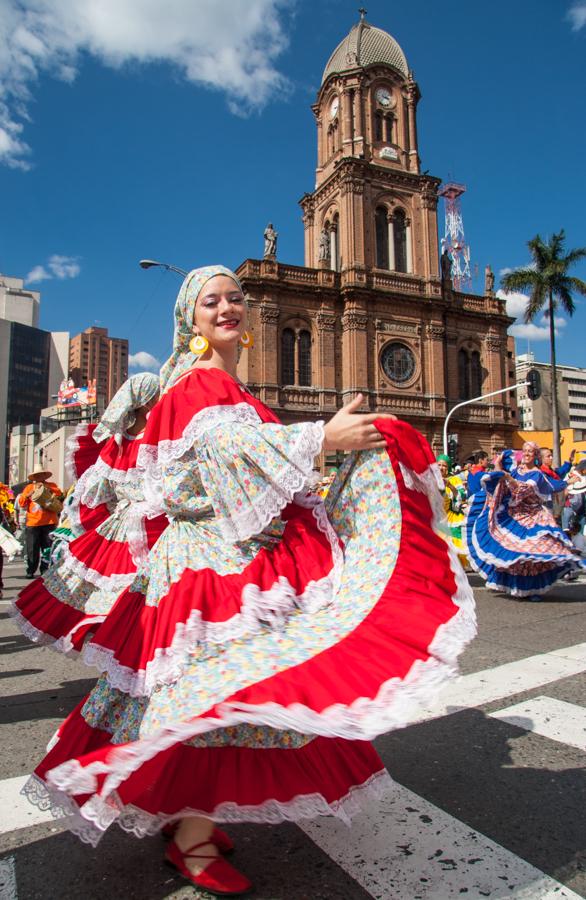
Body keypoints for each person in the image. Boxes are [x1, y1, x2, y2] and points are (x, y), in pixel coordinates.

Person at [22, 266, 476, 896]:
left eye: (236, 298)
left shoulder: (233, 390)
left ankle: (187, 814)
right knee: (217, 696)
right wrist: (323, 437)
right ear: (191, 320)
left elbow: (258, 460)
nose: (228, 307)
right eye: (212, 301)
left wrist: (329, 443)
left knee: (223, 696)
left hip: (232, 560)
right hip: (209, 569)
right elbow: (229, 456)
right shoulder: (199, 384)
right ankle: (191, 838)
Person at [12, 373, 164, 654]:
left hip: (144, 523)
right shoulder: (136, 439)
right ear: (144, 403)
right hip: (140, 527)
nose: (164, 399)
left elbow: (94, 492)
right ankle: (133, 651)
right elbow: (95, 491)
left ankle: (139, 650)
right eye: (158, 395)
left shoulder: (128, 439)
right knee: (132, 594)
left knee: (143, 594)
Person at [464, 442, 584, 601]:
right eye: (525, 451)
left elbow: (523, 489)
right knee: (517, 553)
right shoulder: (516, 470)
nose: (526, 454)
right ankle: (521, 587)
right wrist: (499, 467)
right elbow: (504, 484)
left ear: (535, 456)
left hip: (534, 516)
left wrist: (507, 476)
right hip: (516, 515)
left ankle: (534, 588)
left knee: (536, 551)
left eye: (530, 452)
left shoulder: (536, 474)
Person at [18, 469, 63, 578]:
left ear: (44, 476)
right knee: (32, 548)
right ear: (34, 477)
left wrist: (48, 490)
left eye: (41, 475)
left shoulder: (52, 485)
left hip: (49, 522)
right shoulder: (29, 488)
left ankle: (45, 569)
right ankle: (31, 570)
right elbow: (22, 503)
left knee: (47, 547)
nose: (39, 477)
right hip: (33, 523)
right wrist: (28, 495)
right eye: (37, 475)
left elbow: (59, 495)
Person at [436, 454, 468, 567]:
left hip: (450, 517)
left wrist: (450, 486)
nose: (441, 467)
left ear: (448, 467)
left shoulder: (454, 479)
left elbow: (461, 496)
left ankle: (457, 575)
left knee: (453, 548)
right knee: (439, 548)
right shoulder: (431, 479)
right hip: (437, 519)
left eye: (444, 465)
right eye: (439, 465)